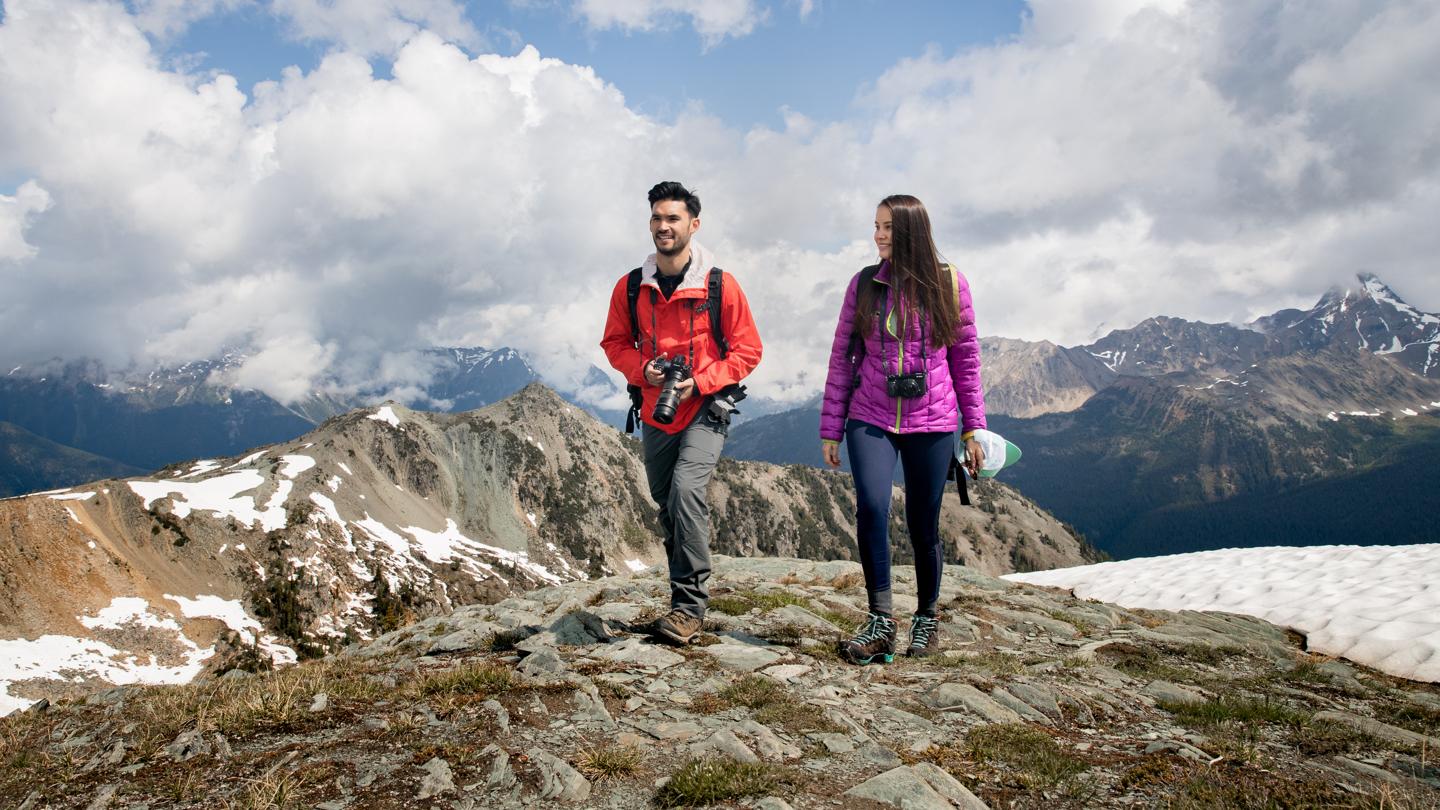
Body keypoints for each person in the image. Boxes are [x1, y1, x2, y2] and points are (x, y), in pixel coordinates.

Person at [818, 194, 986, 664]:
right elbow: (842, 357)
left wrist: (974, 429)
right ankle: (880, 621)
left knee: (921, 522)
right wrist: (832, 426)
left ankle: (927, 618)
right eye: (876, 226)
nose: (878, 235)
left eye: (887, 227)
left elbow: (966, 362)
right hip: (869, 414)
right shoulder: (864, 284)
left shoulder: (950, 285)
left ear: (912, 230)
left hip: (932, 420)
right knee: (871, 506)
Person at [601, 181, 763, 644]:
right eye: (657, 218)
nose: (663, 226)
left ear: (694, 224)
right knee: (666, 501)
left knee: (688, 491)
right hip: (656, 409)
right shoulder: (632, 286)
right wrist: (642, 370)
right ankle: (681, 596)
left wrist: (704, 380)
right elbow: (614, 343)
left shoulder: (718, 284)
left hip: (706, 407)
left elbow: (749, 349)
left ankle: (689, 607)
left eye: (673, 219)